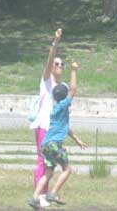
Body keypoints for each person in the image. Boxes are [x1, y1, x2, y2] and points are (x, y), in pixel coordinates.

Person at [29, 61, 87, 209]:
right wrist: (74, 70)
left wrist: (77, 139)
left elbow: (66, 128)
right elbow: (73, 89)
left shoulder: (54, 112)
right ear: (64, 98)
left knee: (48, 173)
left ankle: (35, 197)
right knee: (67, 169)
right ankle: (52, 193)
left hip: (46, 145)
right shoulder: (63, 106)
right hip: (54, 145)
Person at [29, 29, 65, 207]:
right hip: (43, 126)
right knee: (43, 161)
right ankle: (40, 196)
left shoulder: (63, 87)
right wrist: (55, 43)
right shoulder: (46, 82)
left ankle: (46, 194)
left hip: (56, 129)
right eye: (56, 64)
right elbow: (50, 60)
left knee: (52, 164)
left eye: (61, 64)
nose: (58, 66)